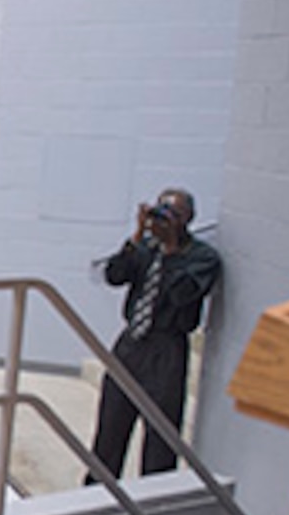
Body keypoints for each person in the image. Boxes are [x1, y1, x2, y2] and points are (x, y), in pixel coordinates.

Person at [89, 188, 222, 479]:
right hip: (131, 343)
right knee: (109, 429)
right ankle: (95, 494)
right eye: (159, 210)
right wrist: (136, 238)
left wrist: (173, 251)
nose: (162, 219)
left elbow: (183, 295)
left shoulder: (203, 257)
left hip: (167, 349)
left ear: (187, 219)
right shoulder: (146, 247)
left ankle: (152, 505)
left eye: (171, 213)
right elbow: (114, 275)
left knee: (160, 438)